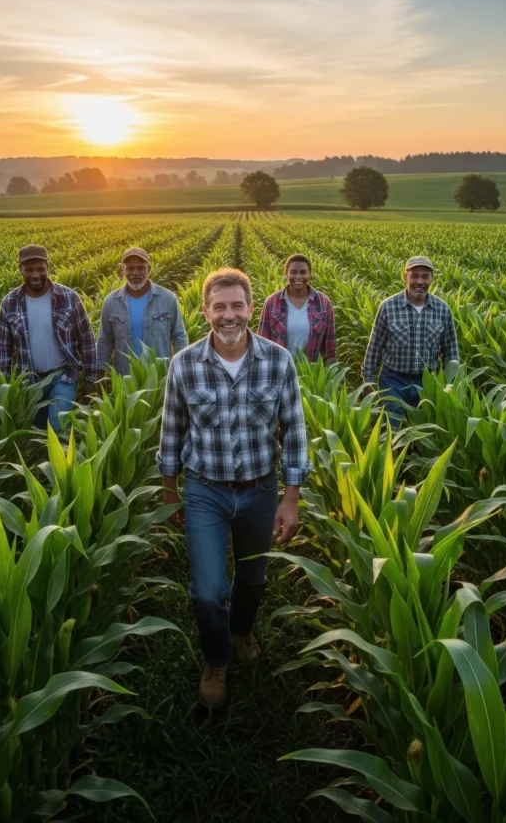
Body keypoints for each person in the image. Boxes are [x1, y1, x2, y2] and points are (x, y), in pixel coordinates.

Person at [158, 268, 311, 709]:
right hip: (205, 488)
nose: (229, 316)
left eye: (237, 306)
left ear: (251, 308)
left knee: (253, 579)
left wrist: (290, 497)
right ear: (205, 311)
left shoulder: (278, 360)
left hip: (261, 488)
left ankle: (242, 629)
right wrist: (170, 494)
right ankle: (217, 658)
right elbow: (172, 432)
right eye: (219, 307)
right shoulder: (184, 363)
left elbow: (295, 430)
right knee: (208, 591)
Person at [0, 244, 97, 432]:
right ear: (20, 270)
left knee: (58, 430)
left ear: (48, 268)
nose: (35, 275)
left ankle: (61, 458)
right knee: (38, 433)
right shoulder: (10, 303)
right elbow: (2, 347)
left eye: (40, 269)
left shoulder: (69, 298)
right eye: (29, 269)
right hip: (30, 381)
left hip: (63, 376)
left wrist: (90, 379)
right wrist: (4, 386)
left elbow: (86, 339)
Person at [362, 255, 459, 422]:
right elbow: (374, 346)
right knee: (395, 429)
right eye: (414, 275)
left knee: (424, 434)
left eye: (425, 276)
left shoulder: (442, 309)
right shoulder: (388, 307)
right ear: (405, 276)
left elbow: (451, 351)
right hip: (393, 380)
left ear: (431, 279)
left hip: (428, 382)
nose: (420, 282)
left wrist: (451, 383)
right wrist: (368, 381)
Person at [97, 247, 188, 375]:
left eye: (140, 268)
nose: (135, 273)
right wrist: (97, 374)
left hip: (159, 377)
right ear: (122, 270)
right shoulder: (111, 302)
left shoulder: (167, 298)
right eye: (130, 268)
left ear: (149, 269)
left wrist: (182, 370)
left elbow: (179, 337)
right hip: (125, 377)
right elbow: (105, 341)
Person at [257, 254, 336, 363]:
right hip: (280, 370)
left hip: (312, 373)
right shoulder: (272, 302)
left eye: (303, 272)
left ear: (309, 274)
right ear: (286, 274)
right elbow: (262, 343)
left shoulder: (323, 302)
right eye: (293, 272)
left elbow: (329, 347)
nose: (298, 276)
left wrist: (331, 374)